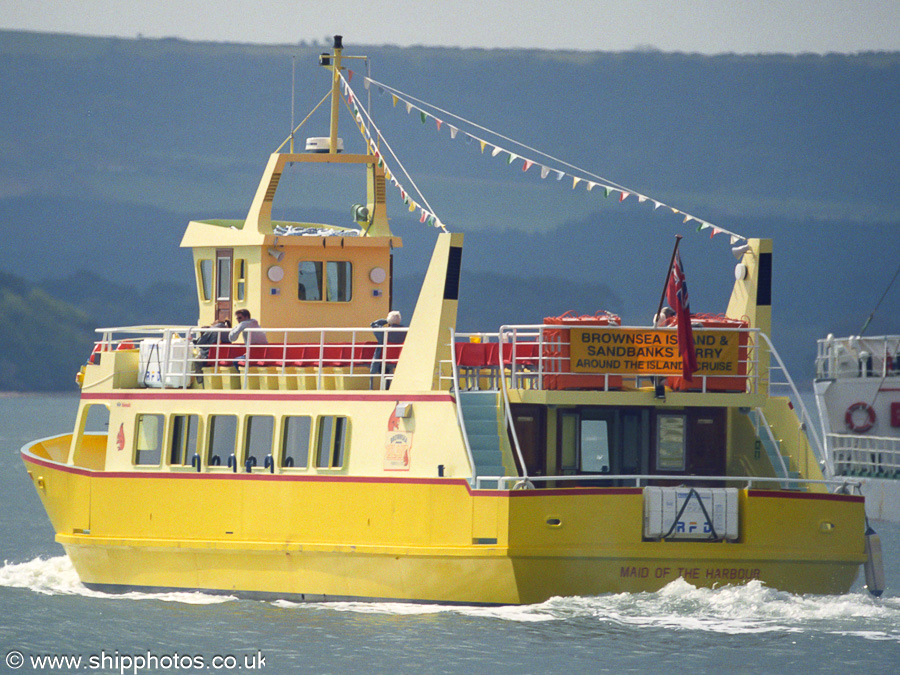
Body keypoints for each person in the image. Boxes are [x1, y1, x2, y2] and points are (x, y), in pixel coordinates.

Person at [370, 310, 406, 389]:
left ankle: (374, 388)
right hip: (400, 359)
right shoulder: (406, 331)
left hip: (385, 359)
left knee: (376, 366)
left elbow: (373, 324)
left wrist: (386, 321)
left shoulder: (384, 331)